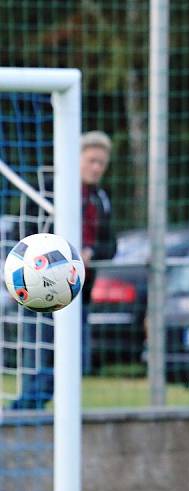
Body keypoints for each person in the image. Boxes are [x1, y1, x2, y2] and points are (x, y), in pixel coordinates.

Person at [9, 130, 116, 409]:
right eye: (91, 160)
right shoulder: (47, 190)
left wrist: (90, 253)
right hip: (40, 288)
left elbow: (111, 244)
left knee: (77, 360)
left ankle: (24, 411)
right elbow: (22, 234)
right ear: (75, 158)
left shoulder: (100, 198)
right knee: (41, 359)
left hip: (78, 293)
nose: (96, 168)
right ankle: (24, 414)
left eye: (101, 163)